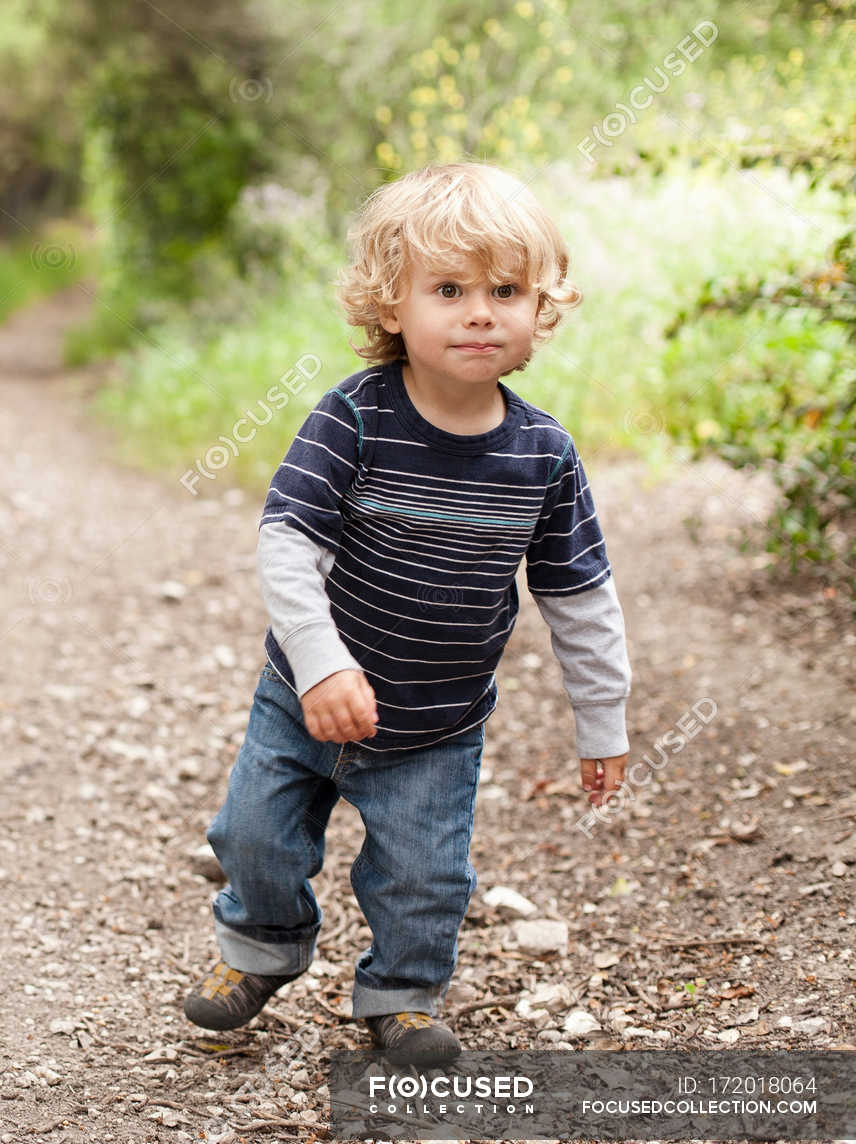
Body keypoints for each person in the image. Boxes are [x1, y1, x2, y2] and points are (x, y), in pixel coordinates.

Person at [182, 162, 632, 1067]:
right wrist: (320, 663)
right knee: (253, 835)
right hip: (304, 699)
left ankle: (403, 992)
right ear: (391, 306)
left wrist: (603, 718)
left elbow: (579, 594)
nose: (479, 312)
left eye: (505, 291)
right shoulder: (356, 418)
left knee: (426, 876)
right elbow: (286, 540)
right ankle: (263, 949)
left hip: (436, 722)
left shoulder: (542, 454)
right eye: (449, 289)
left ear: (539, 308)